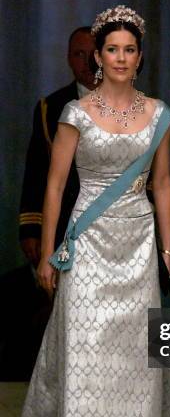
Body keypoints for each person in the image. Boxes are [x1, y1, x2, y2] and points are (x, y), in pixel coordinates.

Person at [12, 5, 170, 417]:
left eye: (129, 50)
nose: (121, 58)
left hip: (138, 241)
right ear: (98, 57)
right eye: (112, 50)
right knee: (83, 351)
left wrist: (167, 247)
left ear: (139, 57)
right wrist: (48, 253)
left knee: (135, 357)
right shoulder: (75, 113)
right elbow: (55, 187)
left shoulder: (159, 113)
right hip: (87, 242)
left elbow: (163, 184)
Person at [19, 26, 97, 265]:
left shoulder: (132, 104)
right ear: (68, 59)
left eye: (93, 54)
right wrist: (31, 228)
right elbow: (37, 171)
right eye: (79, 54)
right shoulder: (51, 108)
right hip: (65, 223)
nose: (87, 62)